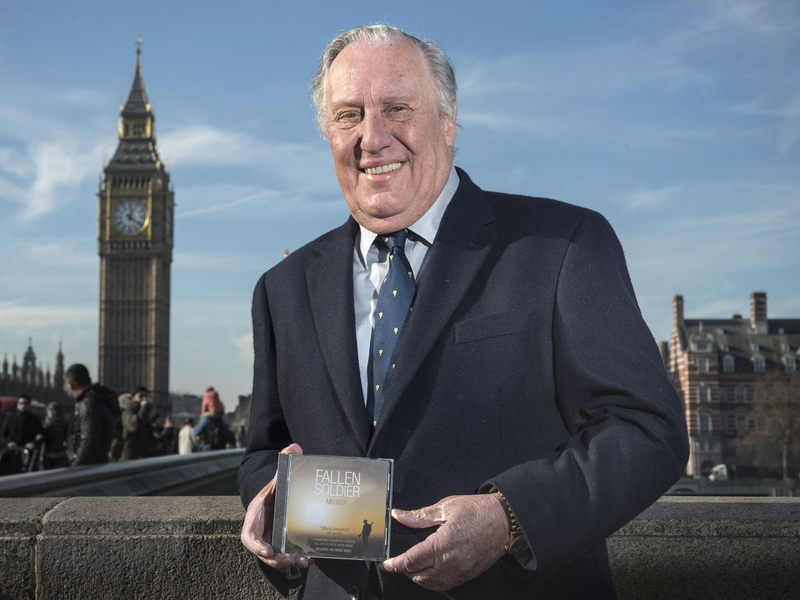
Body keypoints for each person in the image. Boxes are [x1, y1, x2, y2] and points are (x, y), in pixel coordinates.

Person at [239, 25, 689, 600]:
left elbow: (648, 428)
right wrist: (270, 508)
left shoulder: (565, 246)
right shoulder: (282, 289)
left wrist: (511, 519)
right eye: (348, 115)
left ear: (449, 122)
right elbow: (263, 453)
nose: (372, 138)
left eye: (397, 108)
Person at [65, 363, 119, 466]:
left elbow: (89, 443)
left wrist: (75, 469)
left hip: (87, 468)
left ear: (70, 384)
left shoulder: (88, 404)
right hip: (98, 464)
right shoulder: (98, 399)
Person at [1, 394, 43, 474]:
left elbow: (40, 435)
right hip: (13, 452)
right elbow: (3, 434)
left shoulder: (34, 419)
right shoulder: (11, 418)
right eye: (20, 403)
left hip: (28, 452)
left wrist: (33, 443)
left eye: (25, 403)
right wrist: (8, 443)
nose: (23, 406)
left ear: (29, 405)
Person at [120, 387, 154, 461]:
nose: (144, 398)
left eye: (146, 396)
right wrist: (145, 407)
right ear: (133, 398)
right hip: (130, 458)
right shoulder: (128, 412)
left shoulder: (145, 413)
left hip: (143, 457)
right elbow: (136, 425)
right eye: (141, 396)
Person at [39, 402, 69, 470]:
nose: (51, 412)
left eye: (54, 410)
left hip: (59, 453)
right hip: (47, 453)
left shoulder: (62, 424)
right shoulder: (45, 424)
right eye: (50, 410)